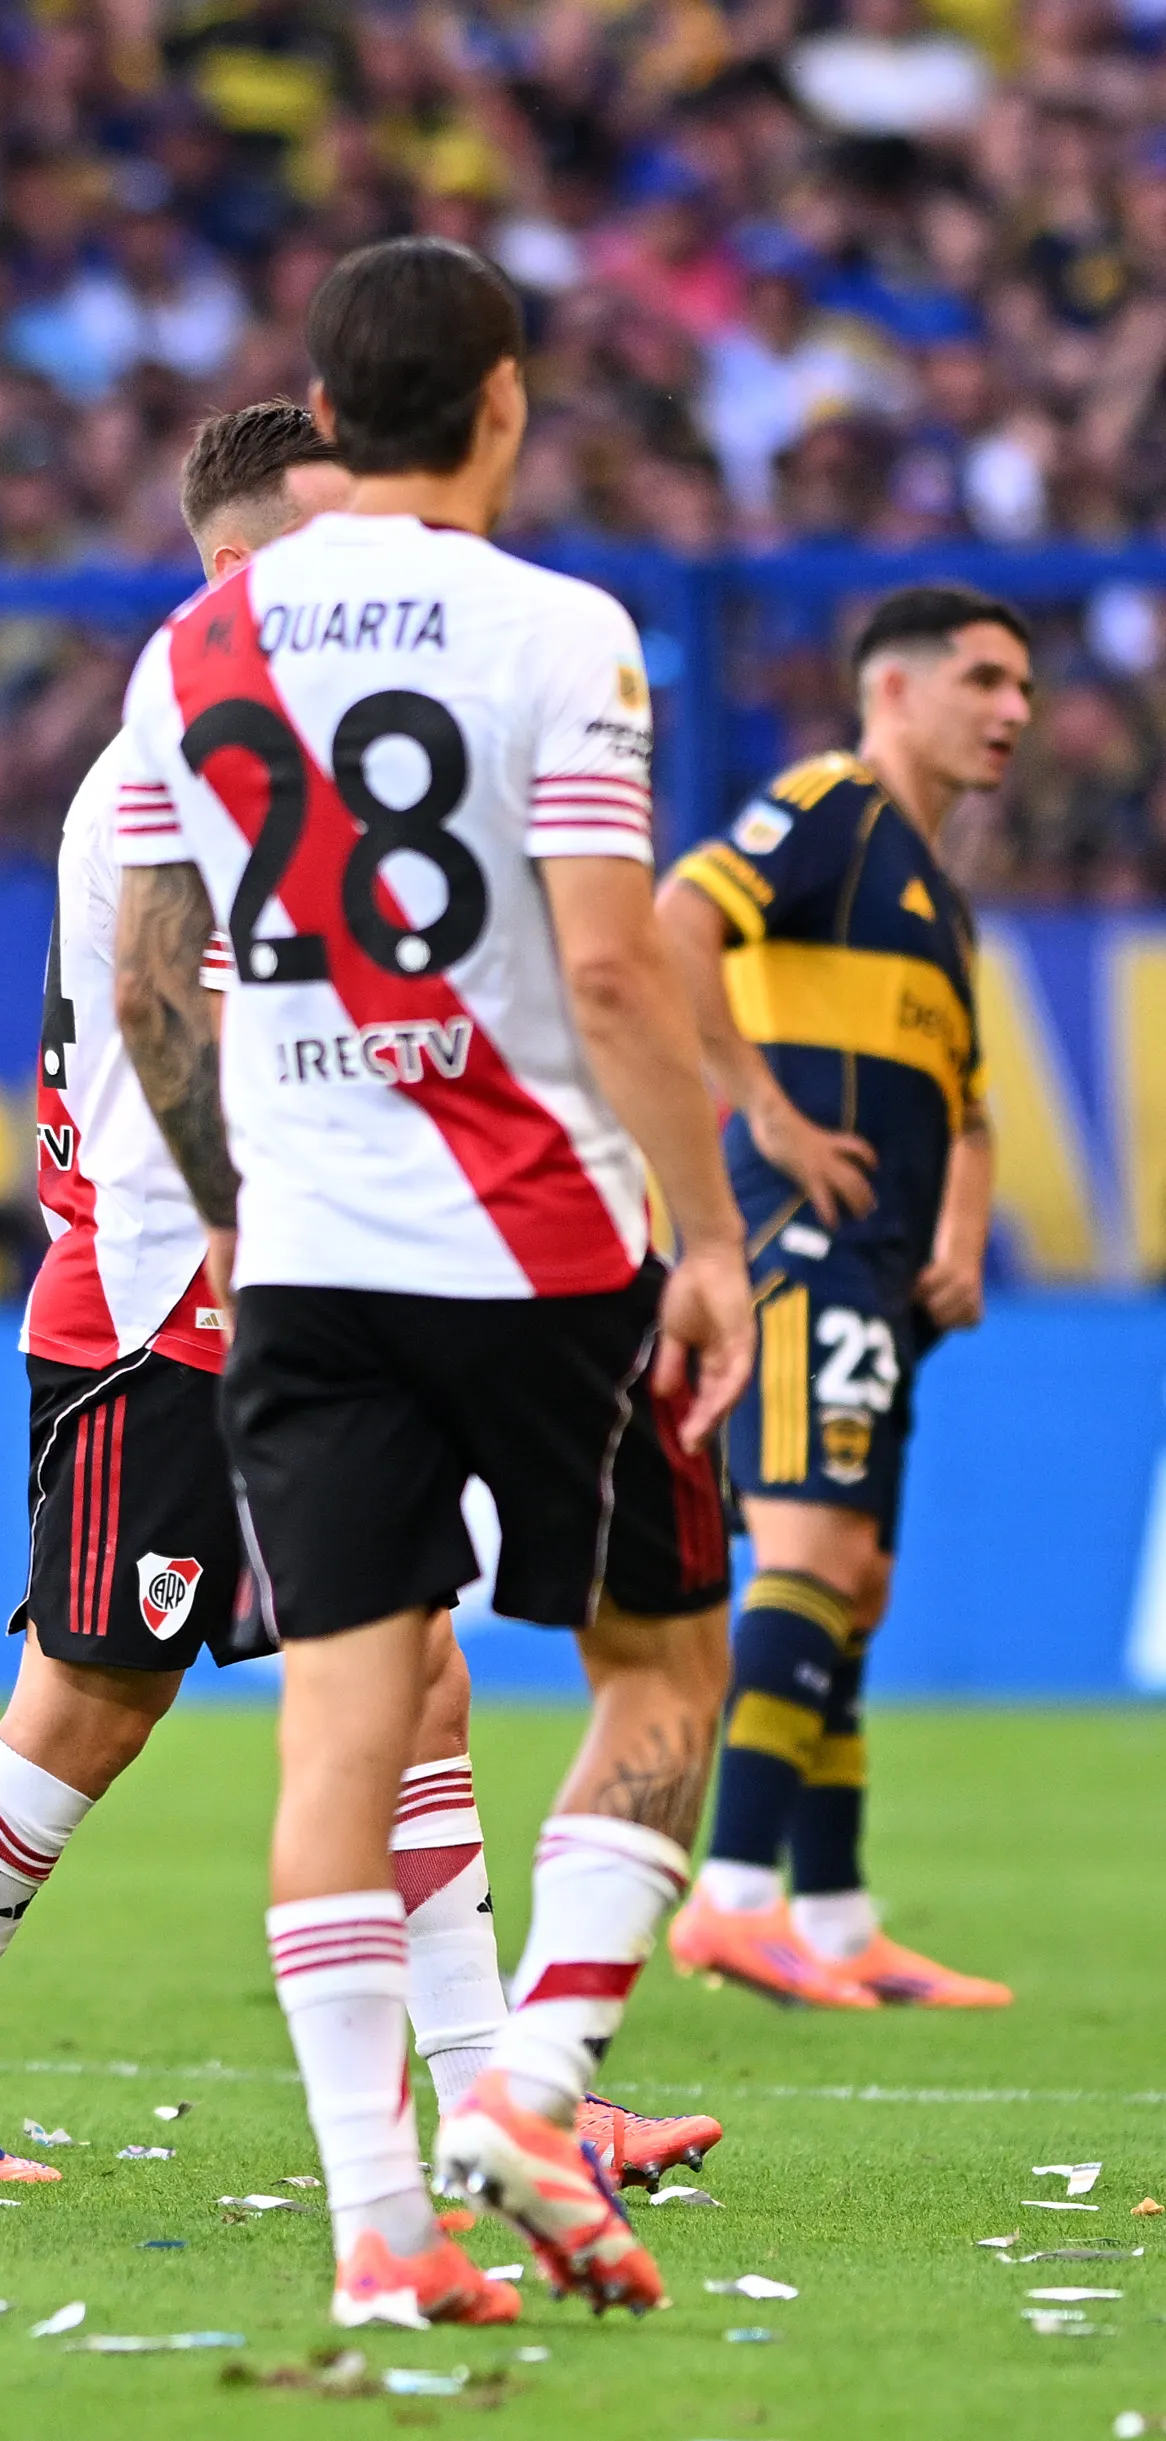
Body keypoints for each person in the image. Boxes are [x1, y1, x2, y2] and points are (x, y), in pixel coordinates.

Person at [0, 403, 721, 2198]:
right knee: (92, 1700)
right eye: (317, 548)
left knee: (409, 1681)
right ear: (236, 569)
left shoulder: (238, 745)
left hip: (267, 1278)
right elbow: (187, 1030)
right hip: (173, 1290)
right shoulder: (198, 756)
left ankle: (497, 2102)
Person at [116, 238, 755, 2326]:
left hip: (306, 1260)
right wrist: (713, 1228)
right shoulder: (562, 628)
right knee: (662, 1672)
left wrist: (231, 1198)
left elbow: (151, 982)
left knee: (340, 1734)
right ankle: (541, 2082)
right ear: (497, 403)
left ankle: (378, 2223)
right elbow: (594, 959)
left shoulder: (192, 644)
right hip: (552, 1241)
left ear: (323, 410)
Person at [658, 586, 1033, 2011]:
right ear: (893, 689)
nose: (1011, 711)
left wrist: (961, 1228)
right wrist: (756, 1107)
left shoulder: (937, 898)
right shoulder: (831, 807)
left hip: (888, 1268)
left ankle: (834, 1917)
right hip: (801, 1243)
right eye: (984, 680)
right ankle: (732, 1896)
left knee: (854, 1583)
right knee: (810, 1549)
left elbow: (974, 1110)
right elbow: (678, 920)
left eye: (1022, 690)